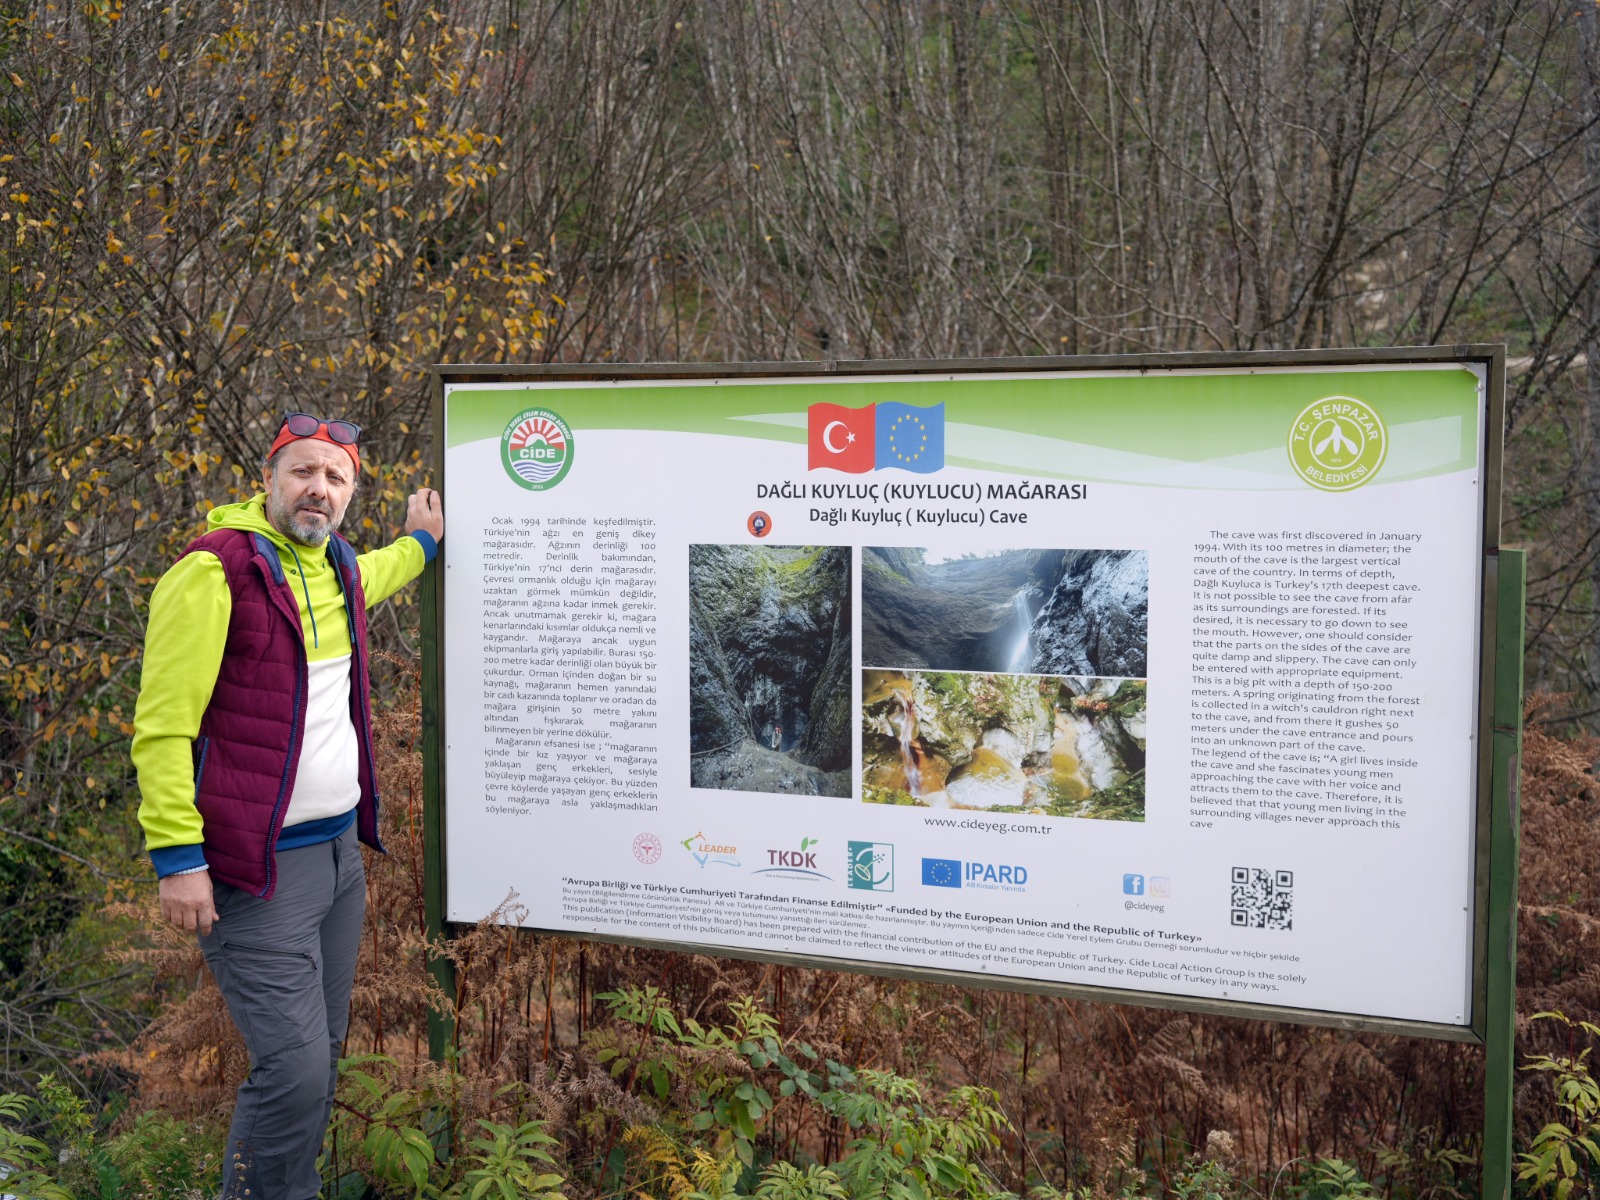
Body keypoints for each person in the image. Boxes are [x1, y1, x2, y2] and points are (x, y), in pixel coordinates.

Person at [132, 413, 443, 1200]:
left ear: (349, 496)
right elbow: (163, 729)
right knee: (295, 1066)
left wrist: (423, 544)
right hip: (256, 870)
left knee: (320, 1054)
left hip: (340, 861)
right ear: (269, 478)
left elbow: (377, 571)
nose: (320, 489)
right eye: (304, 471)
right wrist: (178, 860)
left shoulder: (334, 566)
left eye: (336, 478)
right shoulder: (212, 574)